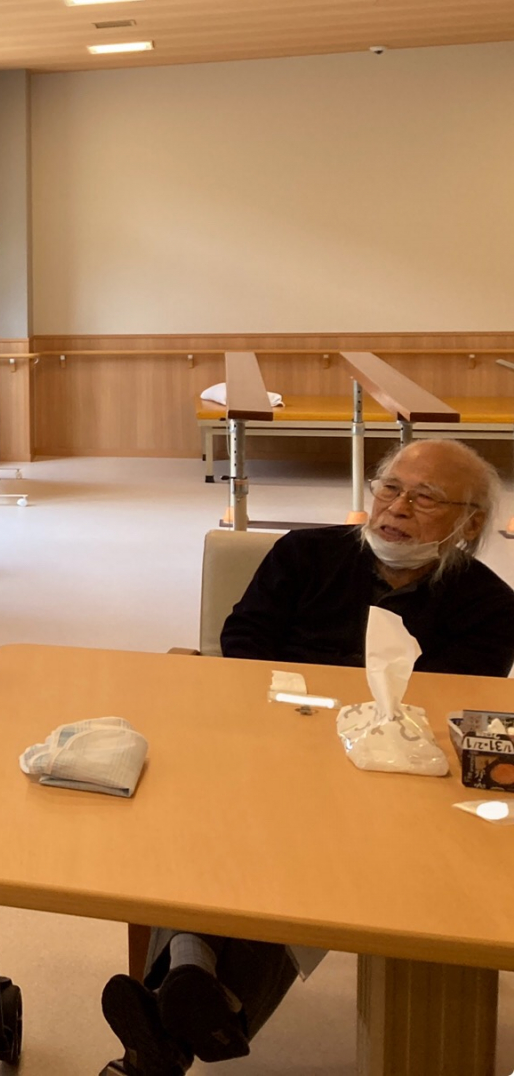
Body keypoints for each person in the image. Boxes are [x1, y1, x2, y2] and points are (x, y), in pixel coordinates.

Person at [100, 438, 514, 1076]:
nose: (396, 507)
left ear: (470, 523)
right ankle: (205, 1003)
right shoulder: (304, 553)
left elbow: (453, 703)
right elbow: (243, 640)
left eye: (425, 497)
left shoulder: (489, 604)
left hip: (388, 772)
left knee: (309, 847)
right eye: (389, 488)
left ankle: (178, 1001)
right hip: (269, 737)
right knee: (226, 813)